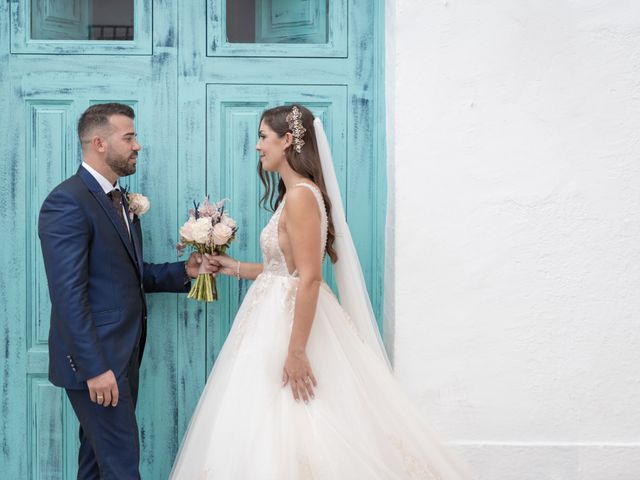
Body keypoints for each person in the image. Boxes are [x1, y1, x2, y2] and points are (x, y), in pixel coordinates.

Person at [170, 105, 468, 479]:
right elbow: (287, 270)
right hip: (274, 316)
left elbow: (310, 278)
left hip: (290, 326)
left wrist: (296, 351)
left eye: (264, 137)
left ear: (288, 140)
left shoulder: (300, 197)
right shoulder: (294, 194)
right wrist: (235, 268)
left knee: (298, 419)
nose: (258, 146)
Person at [38, 103, 214, 479]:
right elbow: (68, 294)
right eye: (129, 137)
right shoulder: (67, 201)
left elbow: (127, 277)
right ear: (99, 143)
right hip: (99, 364)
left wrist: (185, 270)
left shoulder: (119, 200)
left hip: (120, 358)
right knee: (121, 468)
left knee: (97, 466)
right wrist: (95, 368)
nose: (138, 145)